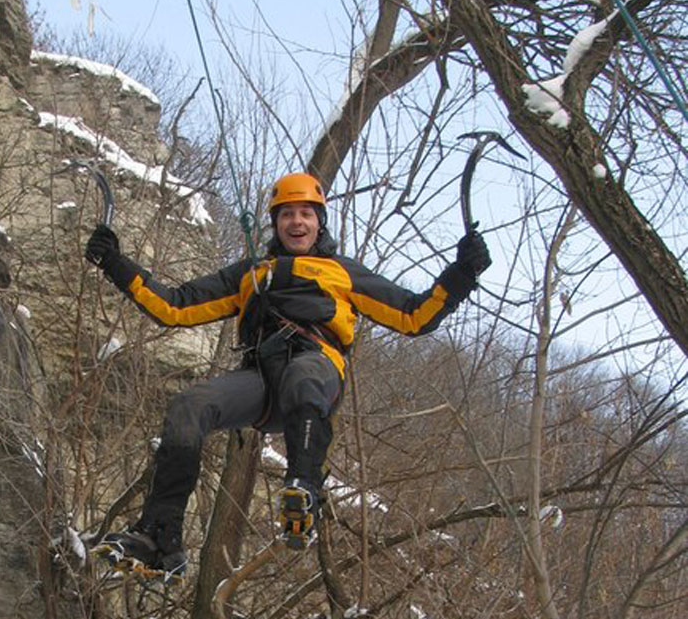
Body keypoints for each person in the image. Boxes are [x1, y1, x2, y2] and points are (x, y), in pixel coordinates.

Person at [85, 171, 490, 579]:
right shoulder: (251, 273)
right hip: (261, 380)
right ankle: (159, 535)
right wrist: (116, 264)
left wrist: (462, 275)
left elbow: (413, 316)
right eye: (287, 215)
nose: (297, 222)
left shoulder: (342, 272)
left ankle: (304, 488)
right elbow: (174, 306)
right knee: (190, 406)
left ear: (319, 222)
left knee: (303, 376)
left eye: (306, 214)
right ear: (276, 223)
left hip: (316, 367)